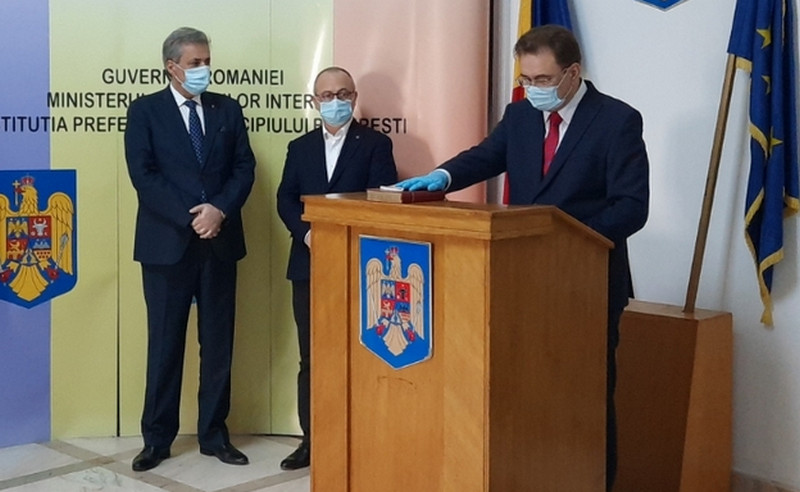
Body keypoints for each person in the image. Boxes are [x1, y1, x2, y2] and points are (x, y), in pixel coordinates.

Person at [395, 25, 649, 490]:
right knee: (532, 396)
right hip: (522, 282)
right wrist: (442, 177)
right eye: (526, 79)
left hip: (586, 285)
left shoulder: (616, 120)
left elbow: (632, 207)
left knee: (586, 398)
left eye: (543, 80)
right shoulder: (519, 116)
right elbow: (483, 157)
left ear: (573, 73)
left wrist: (564, 240)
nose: (533, 89)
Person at [124, 27, 256, 472]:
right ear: (172, 67)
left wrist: (219, 210)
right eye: (195, 63)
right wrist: (191, 217)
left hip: (219, 242)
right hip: (167, 246)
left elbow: (244, 167)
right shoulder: (145, 111)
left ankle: (214, 435)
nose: (203, 69)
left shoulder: (227, 109)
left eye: (207, 62)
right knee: (164, 345)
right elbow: (144, 176)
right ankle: (156, 439)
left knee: (217, 346)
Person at [276, 66, 398, 470]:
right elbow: (286, 199)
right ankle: (312, 441)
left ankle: (361, 439)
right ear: (315, 101)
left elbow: (380, 200)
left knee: (361, 355)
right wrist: (308, 235)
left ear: (355, 97)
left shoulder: (375, 144)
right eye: (327, 95)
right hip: (309, 264)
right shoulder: (300, 147)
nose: (335, 102)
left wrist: (343, 238)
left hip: (361, 266)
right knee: (311, 357)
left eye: (343, 94)